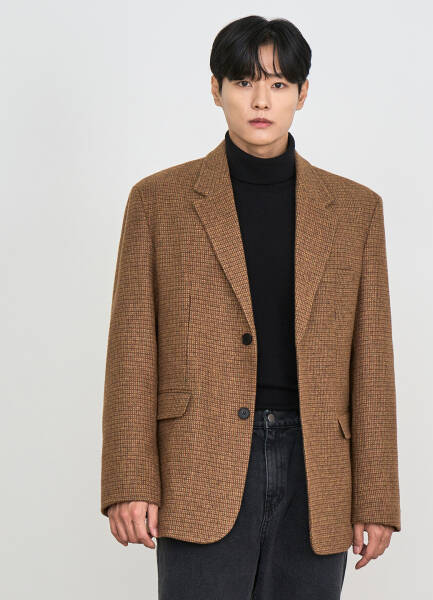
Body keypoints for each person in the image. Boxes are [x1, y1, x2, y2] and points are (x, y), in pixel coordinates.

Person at [100, 15, 401, 600]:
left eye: (279, 84)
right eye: (243, 82)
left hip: (317, 472)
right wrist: (130, 479)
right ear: (216, 90)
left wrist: (377, 494)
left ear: (302, 94)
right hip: (199, 462)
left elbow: (372, 363)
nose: (261, 100)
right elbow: (132, 348)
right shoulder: (159, 202)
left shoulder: (355, 209)